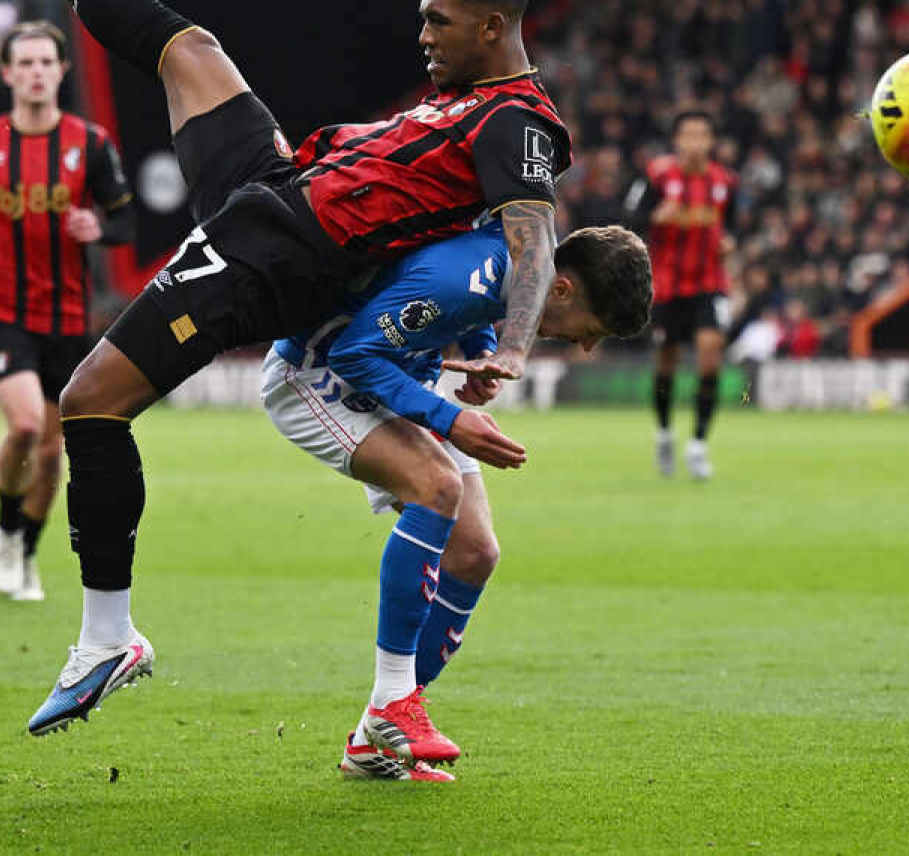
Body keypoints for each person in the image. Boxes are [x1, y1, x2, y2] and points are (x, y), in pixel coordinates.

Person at [0, 0, 573, 736]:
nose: (421, 35)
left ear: (495, 27)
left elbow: (532, 236)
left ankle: (106, 640)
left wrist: (514, 351)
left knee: (89, 403)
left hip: (283, 253)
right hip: (279, 186)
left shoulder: (518, 121)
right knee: (191, 49)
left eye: (438, 22)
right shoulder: (464, 99)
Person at [262, 220, 650, 782]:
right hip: (316, 372)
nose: (586, 347)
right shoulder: (462, 282)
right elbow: (353, 353)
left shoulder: (510, 264)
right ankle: (394, 705)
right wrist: (450, 419)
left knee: (473, 553)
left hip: (394, 377)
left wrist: (483, 347)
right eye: (592, 331)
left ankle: (374, 740)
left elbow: (449, 312)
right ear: (560, 288)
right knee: (437, 485)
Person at [0, 21, 135, 604]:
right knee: (23, 426)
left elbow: (125, 220)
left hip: (69, 319)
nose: (36, 72)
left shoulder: (90, 144)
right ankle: (4, 525)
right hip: (0, 309)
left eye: (46, 62)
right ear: (7, 74)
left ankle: (25, 546)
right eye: (25, 63)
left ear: (62, 70)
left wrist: (100, 226)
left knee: (50, 458)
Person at [625, 110, 736, 480]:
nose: (695, 143)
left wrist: (730, 242)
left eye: (702, 135)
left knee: (710, 353)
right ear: (676, 141)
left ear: (711, 141)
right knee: (667, 361)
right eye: (688, 135)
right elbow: (625, 219)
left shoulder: (723, 182)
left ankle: (699, 444)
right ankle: (664, 434)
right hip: (667, 286)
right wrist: (655, 217)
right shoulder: (656, 176)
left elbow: (732, 224)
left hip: (709, 283)